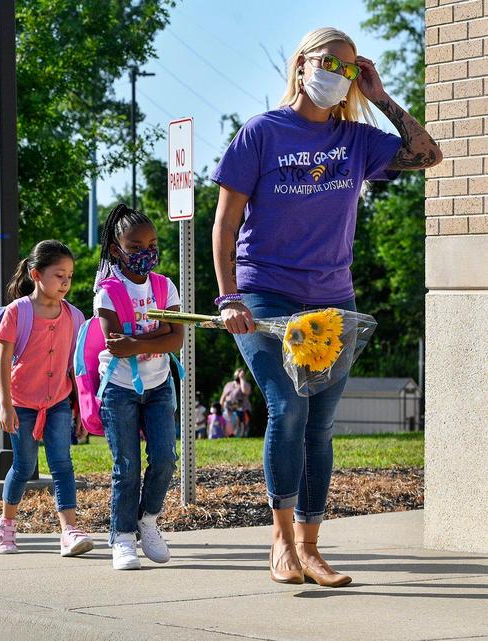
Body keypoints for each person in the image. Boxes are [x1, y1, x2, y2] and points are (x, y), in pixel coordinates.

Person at [211, 27, 441, 588]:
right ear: (301, 65)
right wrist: (228, 297)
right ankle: (282, 542)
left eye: (347, 68)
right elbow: (225, 222)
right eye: (327, 64)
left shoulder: (356, 139)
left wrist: (380, 96)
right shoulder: (261, 133)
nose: (336, 75)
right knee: (287, 410)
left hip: (333, 299)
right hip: (264, 294)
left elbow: (426, 153)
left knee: (320, 424)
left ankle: (312, 547)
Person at [93, 205, 184, 570]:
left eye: (152, 243)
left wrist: (141, 342)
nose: (146, 251)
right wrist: (157, 334)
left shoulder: (165, 286)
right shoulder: (108, 292)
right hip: (119, 388)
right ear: (117, 249)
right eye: (135, 245)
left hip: (159, 384)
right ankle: (122, 536)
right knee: (126, 465)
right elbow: (115, 343)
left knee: (164, 458)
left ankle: (148, 521)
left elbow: (176, 340)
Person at [0, 240, 92, 557]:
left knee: (62, 465)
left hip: (58, 401)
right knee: (24, 465)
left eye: (70, 276)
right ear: (36, 274)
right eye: (59, 275)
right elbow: (3, 362)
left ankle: (68, 531)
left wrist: (81, 410)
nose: (66, 282)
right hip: (21, 402)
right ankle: (5, 524)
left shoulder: (75, 317)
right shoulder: (16, 312)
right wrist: (5, 406)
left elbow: (76, 368)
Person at [220, 368, 252, 437]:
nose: (237, 376)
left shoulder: (246, 384)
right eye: (237, 375)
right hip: (229, 410)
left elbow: (245, 391)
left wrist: (242, 379)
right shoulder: (229, 384)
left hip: (242, 410)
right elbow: (223, 397)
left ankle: (241, 436)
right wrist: (221, 408)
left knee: (241, 428)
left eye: (240, 375)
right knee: (229, 427)